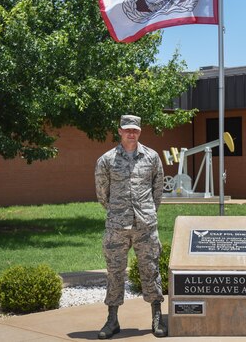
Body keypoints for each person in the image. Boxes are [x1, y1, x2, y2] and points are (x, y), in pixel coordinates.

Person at [94, 114, 166, 339]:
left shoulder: (152, 157)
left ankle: (156, 317)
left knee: (151, 270)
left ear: (140, 131)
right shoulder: (106, 160)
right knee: (115, 272)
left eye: (135, 130)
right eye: (127, 129)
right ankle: (112, 319)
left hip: (145, 226)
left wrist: (148, 212)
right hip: (117, 226)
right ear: (119, 131)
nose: (131, 133)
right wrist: (118, 211)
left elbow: (158, 189)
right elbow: (102, 193)